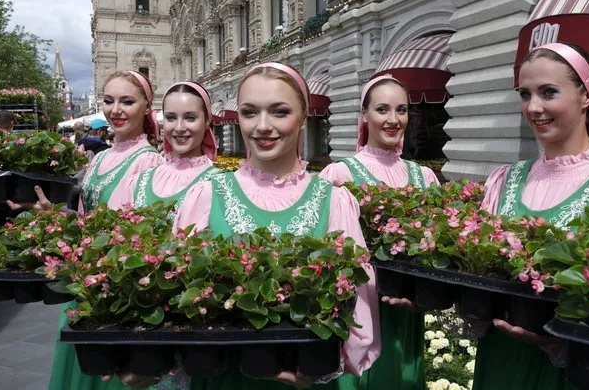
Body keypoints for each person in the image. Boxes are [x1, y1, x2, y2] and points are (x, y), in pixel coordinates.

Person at [174, 62, 380, 389]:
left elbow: (358, 298)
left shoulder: (333, 199)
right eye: (249, 112)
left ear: (303, 117)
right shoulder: (205, 196)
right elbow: (178, 293)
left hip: (308, 377)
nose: (262, 126)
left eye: (280, 112)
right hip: (224, 378)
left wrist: (332, 363)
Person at [473, 42, 589, 390]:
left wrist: (555, 341)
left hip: (571, 372)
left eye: (548, 92)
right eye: (524, 94)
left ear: (586, 97)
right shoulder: (504, 179)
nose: (534, 107)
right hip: (499, 358)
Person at [319, 75, 440, 390]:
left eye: (401, 110)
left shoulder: (424, 177)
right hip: (355, 310)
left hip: (405, 308)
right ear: (364, 115)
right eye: (382, 109)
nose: (393, 119)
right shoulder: (340, 173)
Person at [48, 70, 164, 390]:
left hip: (119, 287)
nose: (116, 110)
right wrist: (53, 216)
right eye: (109, 101)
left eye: (127, 101)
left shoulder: (149, 161)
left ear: (145, 107)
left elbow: (146, 235)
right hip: (86, 279)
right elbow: (84, 218)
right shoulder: (101, 159)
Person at [109, 81, 219, 213]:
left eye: (190, 118)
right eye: (171, 118)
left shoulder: (219, 184)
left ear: (207, 120)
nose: (179, 128)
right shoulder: (139, 181)